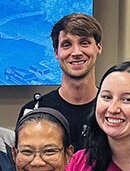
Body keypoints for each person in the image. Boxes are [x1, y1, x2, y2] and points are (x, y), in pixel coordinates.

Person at [18, 13, 103, 150]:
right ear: (56, 53)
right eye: (67, 44)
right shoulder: (36, 111)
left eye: (84, 43)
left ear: (98, 47)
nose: (76, 52)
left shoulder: (110, 112)